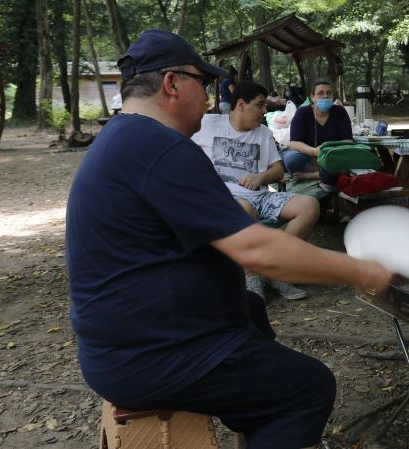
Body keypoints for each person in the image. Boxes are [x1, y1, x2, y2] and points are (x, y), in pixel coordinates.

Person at [66, 30, 392, 449]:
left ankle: (254, 412)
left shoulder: (127, 138)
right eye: (203, 83)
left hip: (131, 337)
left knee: (252, 307)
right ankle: (270, 409)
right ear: (171, 83)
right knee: (309, 388)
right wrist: (363, 270)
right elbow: (256, 250)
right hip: (148, 356)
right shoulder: (159, 148)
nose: (209, 95)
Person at [192, 80, 318, 301]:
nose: (265, 110)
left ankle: (274, 268)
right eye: (260, 105)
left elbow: (278, 170)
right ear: (241, 104)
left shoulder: (263, 133)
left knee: (309, 205)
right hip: (225, 199)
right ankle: (251, 274)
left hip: (261, 196)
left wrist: (261, 176)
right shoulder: (208, 124)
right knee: (244, 209)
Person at [283, 79, 353, 192]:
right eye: (320, 93)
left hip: (333, 157)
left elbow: (348, 141)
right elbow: (294, 143)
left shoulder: (340, 111)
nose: (325, 96)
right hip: (309, 158)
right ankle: (325, 174)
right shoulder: (302, 113)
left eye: (329, 93)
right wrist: (314, 152)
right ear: (312, 97)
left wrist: (330, 153)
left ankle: (312, 175)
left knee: (353, 158)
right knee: (291, 159)